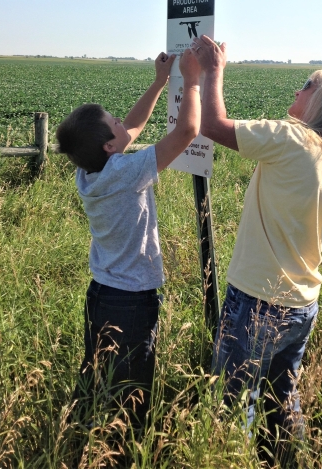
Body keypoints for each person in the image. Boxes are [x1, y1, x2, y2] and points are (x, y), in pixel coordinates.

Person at [192, 35, 322, 462]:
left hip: (256, 299)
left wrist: (214, 70)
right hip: (302, 306)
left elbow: (213, 126)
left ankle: (228, 458)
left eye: (307, 85)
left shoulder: (292, 139)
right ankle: (290, 459)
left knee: (231, 406)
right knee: (281, 400)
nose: (298, 90)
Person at [56, 50, 201, 430]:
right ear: (108, 145)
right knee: (133, 382)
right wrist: (194, 80)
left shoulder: (89, 172)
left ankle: (79, 433)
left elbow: (131, 129)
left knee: (95, 368)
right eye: (114, 121)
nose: (123, 122)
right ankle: (126, 445)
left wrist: (160, 82)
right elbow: (185, 133)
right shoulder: (127, 170)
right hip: (132, 298)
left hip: (101, 290)